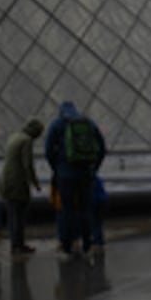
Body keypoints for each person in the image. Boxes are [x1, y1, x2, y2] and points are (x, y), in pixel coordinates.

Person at [44, 101, 105, 256]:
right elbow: (102, 148)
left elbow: (48, 150)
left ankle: (67, 245)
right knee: (85, 209)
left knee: (67, 209)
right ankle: (87, 242)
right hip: (85, 173)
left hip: (65, 174)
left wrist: (57, 168)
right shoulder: (88, 123)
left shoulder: (57, 124)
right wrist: (93, 168)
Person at [0, 118, 44, 255]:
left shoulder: (14, 137)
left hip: (6, 180)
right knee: (19, 215)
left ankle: (15, 244)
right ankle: (18, 245)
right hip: (17, 182)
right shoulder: (26, 141)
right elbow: (27, 164)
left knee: (12, 214)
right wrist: (35, 183)